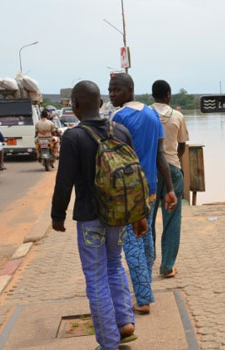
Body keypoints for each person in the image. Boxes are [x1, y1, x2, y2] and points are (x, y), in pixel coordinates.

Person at [51, 81, 145, 350]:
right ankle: (125, 323)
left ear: (75, 104)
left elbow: (64, 182)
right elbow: (135, 178)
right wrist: (139, 215)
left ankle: (108, 343)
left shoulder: (73, 137)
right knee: (115, 267)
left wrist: (57, 216)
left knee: (95, 278)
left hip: (91, 220)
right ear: (101, 103)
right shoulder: (121, 130)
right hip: (119, 217)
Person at [109, 73, 177, 314]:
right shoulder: (152, 114)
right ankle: (145, 289)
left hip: (129, 192)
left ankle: (144, 298)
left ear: (129, 90)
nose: (111, 94)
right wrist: (169, 190)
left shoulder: (118, 117)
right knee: (146, 239)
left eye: (116, 90)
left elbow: (116, 158)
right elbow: (161, 156)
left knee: (133, 243)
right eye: (110, 90)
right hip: (151, 188)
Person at [150, 80, 189, 278]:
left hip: (150, 171)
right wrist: (173, 160)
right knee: (172, 220)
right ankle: (167, 266)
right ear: (169, 95)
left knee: (148, 219)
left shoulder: (146, 115)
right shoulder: (178, 116)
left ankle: (147, 262)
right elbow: (182, 145)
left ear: (152, 96)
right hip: (173, 169)